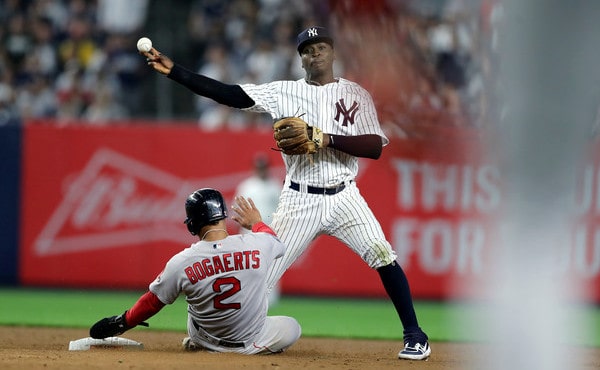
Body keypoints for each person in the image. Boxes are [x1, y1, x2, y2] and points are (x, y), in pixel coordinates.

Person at [140, 26, 431, 360]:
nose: (314, 53)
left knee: (383, 255)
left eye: (321, 47)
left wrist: (325, 138)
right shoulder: (283, 92)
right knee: (259, 274)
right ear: (300, 59)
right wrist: (177, 72)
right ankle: (213, 333)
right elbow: (230, 94)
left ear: (333, 53)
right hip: (298, 198)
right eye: (307, 49)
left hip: (345, 196)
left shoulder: (356, 95)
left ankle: (415, 335)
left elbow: (375, 147)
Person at [89, 189, 301, 355]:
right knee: (293, 326)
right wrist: (256, 222)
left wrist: (123, 321)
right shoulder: (257, 244)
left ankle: (202, 345)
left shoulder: (181, 262)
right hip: (252, 342)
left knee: (190, 300)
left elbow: (152, 302)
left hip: (204, 338)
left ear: (192, 224)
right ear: (223, 216)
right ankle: (252, 349)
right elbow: (275, 241)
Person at [235, 153, 283, 305]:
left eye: (263, 167)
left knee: (270, 265)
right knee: (248, 265)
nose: (261, 170)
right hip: (248, 232)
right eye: (259, 167)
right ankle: (247, 298)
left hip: (269, 232)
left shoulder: (275, 186)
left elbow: (281, 209)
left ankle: (270, 300)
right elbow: (238, 209)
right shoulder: (246, 186)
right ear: (255, 168)